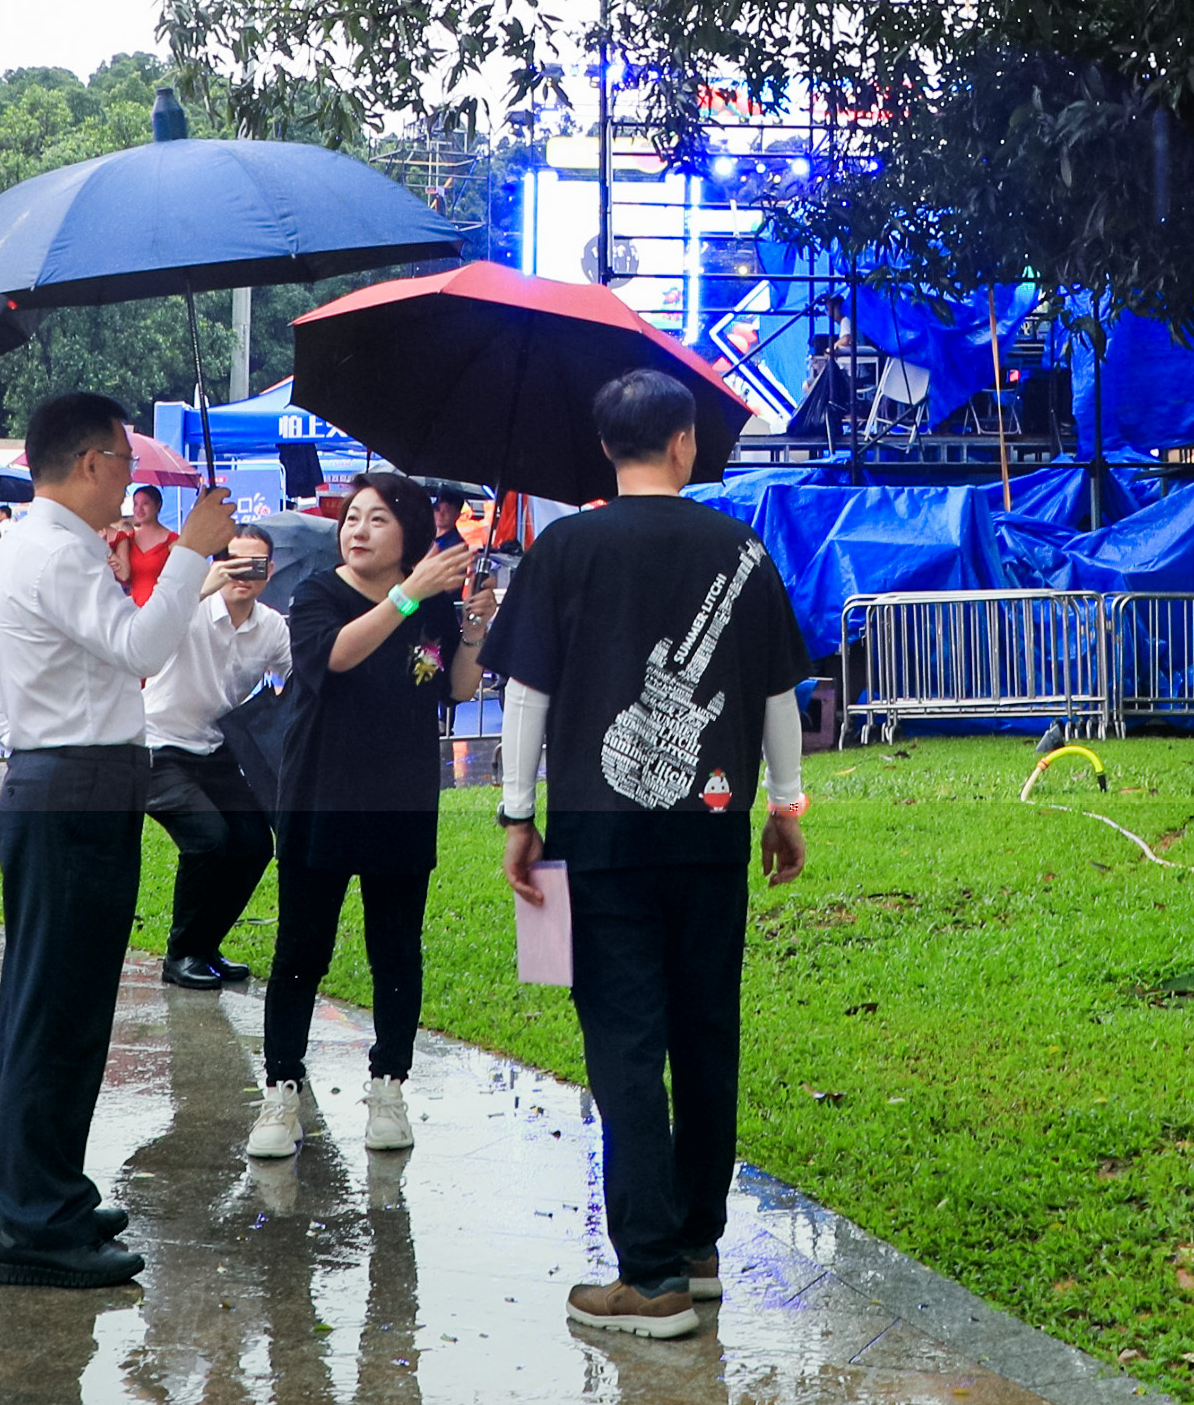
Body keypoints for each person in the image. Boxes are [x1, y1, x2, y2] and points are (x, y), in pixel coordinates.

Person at [494, 372, 810, 1337]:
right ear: (683, 444)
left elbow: (525, 695)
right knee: (707, 1030)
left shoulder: (563, 548)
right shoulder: (740, 549)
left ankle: (651, 1274)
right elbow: (777, 695)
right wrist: (785, 808)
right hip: (712, 836)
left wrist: (517, 815)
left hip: (600, 841)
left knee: (625, 1041)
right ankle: (699, 1246)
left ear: (605, 448)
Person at [0, 392, 229, 1288]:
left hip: (71, 780)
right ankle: (34, 1222)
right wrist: (192, 551)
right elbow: (141, 646)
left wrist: (21, 736)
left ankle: (44, 1195)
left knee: (62, 1009)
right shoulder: (54, 550)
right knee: (56, 1012)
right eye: (124, 464)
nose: (129, 480)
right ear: (88, 464)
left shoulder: (41, 545)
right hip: (72, 788)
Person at [250, 471, 478, 1164]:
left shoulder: (433, 606)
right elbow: (334, 656)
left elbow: (456, 687)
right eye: (353, 517)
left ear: (409, 531)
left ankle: (388, 1086)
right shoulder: (318, 594)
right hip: (321, 792)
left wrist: (473, 627)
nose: (358, 530)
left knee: (396, 949)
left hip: (401, 798)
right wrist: (409, 595)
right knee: (302, 949)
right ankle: (282, 1089)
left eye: (377, 519)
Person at [144, 524, 289, 989]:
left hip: (215, 749)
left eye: (254, 564)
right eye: (232, 561)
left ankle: (205, 946)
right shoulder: (190, 610)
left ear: (270, 571)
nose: (241, 573)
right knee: (208, 839)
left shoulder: (272, 626)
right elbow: (145, 638)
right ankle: (180, 954)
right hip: (157, 746)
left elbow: (299, 680)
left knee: (255, 845)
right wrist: (197, 589)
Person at [107, 484, 180, 605]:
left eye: (145, 503)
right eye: (135, 504)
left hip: (162, 606)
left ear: (158, 505)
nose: (139, 509)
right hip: (133, 608)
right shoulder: (127, 540)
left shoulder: (173, 541)